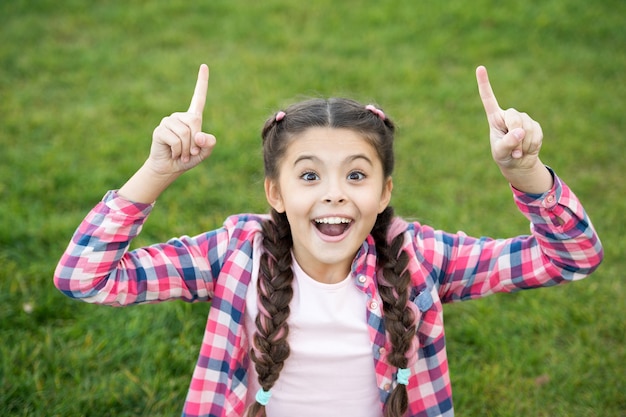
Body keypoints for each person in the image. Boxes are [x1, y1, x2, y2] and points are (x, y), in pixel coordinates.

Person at [54, 64, 603, 417]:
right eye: (310, 175)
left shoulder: (419, 257)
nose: (335, 194)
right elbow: (85, 279)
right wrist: (156, 172)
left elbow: (573, 257)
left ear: (386, 192)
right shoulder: (234, 256)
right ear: (275, 191)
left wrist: (527, 174)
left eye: (357, 175)